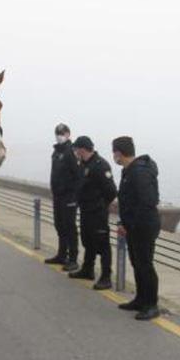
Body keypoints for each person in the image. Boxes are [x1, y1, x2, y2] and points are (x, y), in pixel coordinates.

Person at [113, 136, 161, 321]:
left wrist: (131, 225)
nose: (114, 156)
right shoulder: (129, 170)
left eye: (114, 152)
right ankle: (141, 300)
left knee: (145, 265)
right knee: (137, 263)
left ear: (118, 152)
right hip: (133, 226)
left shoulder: (139, 172)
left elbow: (146, 202)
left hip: (144, 226)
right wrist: (124, 223)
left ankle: (151, 305)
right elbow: (128, 201)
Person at [69, 136, 117, 290]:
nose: (75, 152)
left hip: (98, 213)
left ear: (82, 149)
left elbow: (111, 191)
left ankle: (106, 276)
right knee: (87, 241)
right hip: (86, 211)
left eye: (76, 149)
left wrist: (101, 205)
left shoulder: (100, 165)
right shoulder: (83, 164)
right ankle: (87, 269)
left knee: (102, 245)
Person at [46, 123, 81, 271]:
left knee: (70, 227)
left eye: (62, 133)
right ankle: (62, 254)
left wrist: (74, 196)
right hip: (58, 196)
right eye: (57, 133)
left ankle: (73, 258)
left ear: (68, 134)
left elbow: (78, 175)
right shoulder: (56, 152)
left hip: (69, 197)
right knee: (59, 225)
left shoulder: (71, 152)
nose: (59, 135)